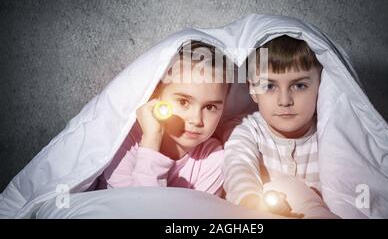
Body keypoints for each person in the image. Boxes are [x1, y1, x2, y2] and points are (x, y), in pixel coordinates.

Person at [223, 35, 337, 218]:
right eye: (269, 86)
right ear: (253, 89)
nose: (284, 101)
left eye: (299, 86)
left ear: (321, 86)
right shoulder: (248, 129)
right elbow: (238, 166)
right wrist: (251, 202)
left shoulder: (331, 133)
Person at [98, 41, 231, 196]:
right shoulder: (124, 138)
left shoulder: (214, 158)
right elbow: (135, 210)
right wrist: (151, 140)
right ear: (156, 94)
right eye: (183, 102)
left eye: (210, 107)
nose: (196, 120)